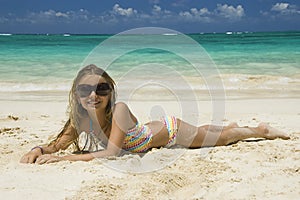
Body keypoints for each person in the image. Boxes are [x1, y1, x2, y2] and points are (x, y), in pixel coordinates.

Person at [20, 64, 290, 164]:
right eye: (86, 89)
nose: (94, 95)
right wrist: (39, 149)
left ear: (110, 92)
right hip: (150, 129)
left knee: (217, 139)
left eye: (101, 88)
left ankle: (259, 130)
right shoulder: (79, 118)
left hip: (169, 132)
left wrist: (63, 159)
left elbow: (113, 153)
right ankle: (226, 125)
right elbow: (55, 145)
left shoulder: (119, 111)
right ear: (77, 94)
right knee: (206, 132)